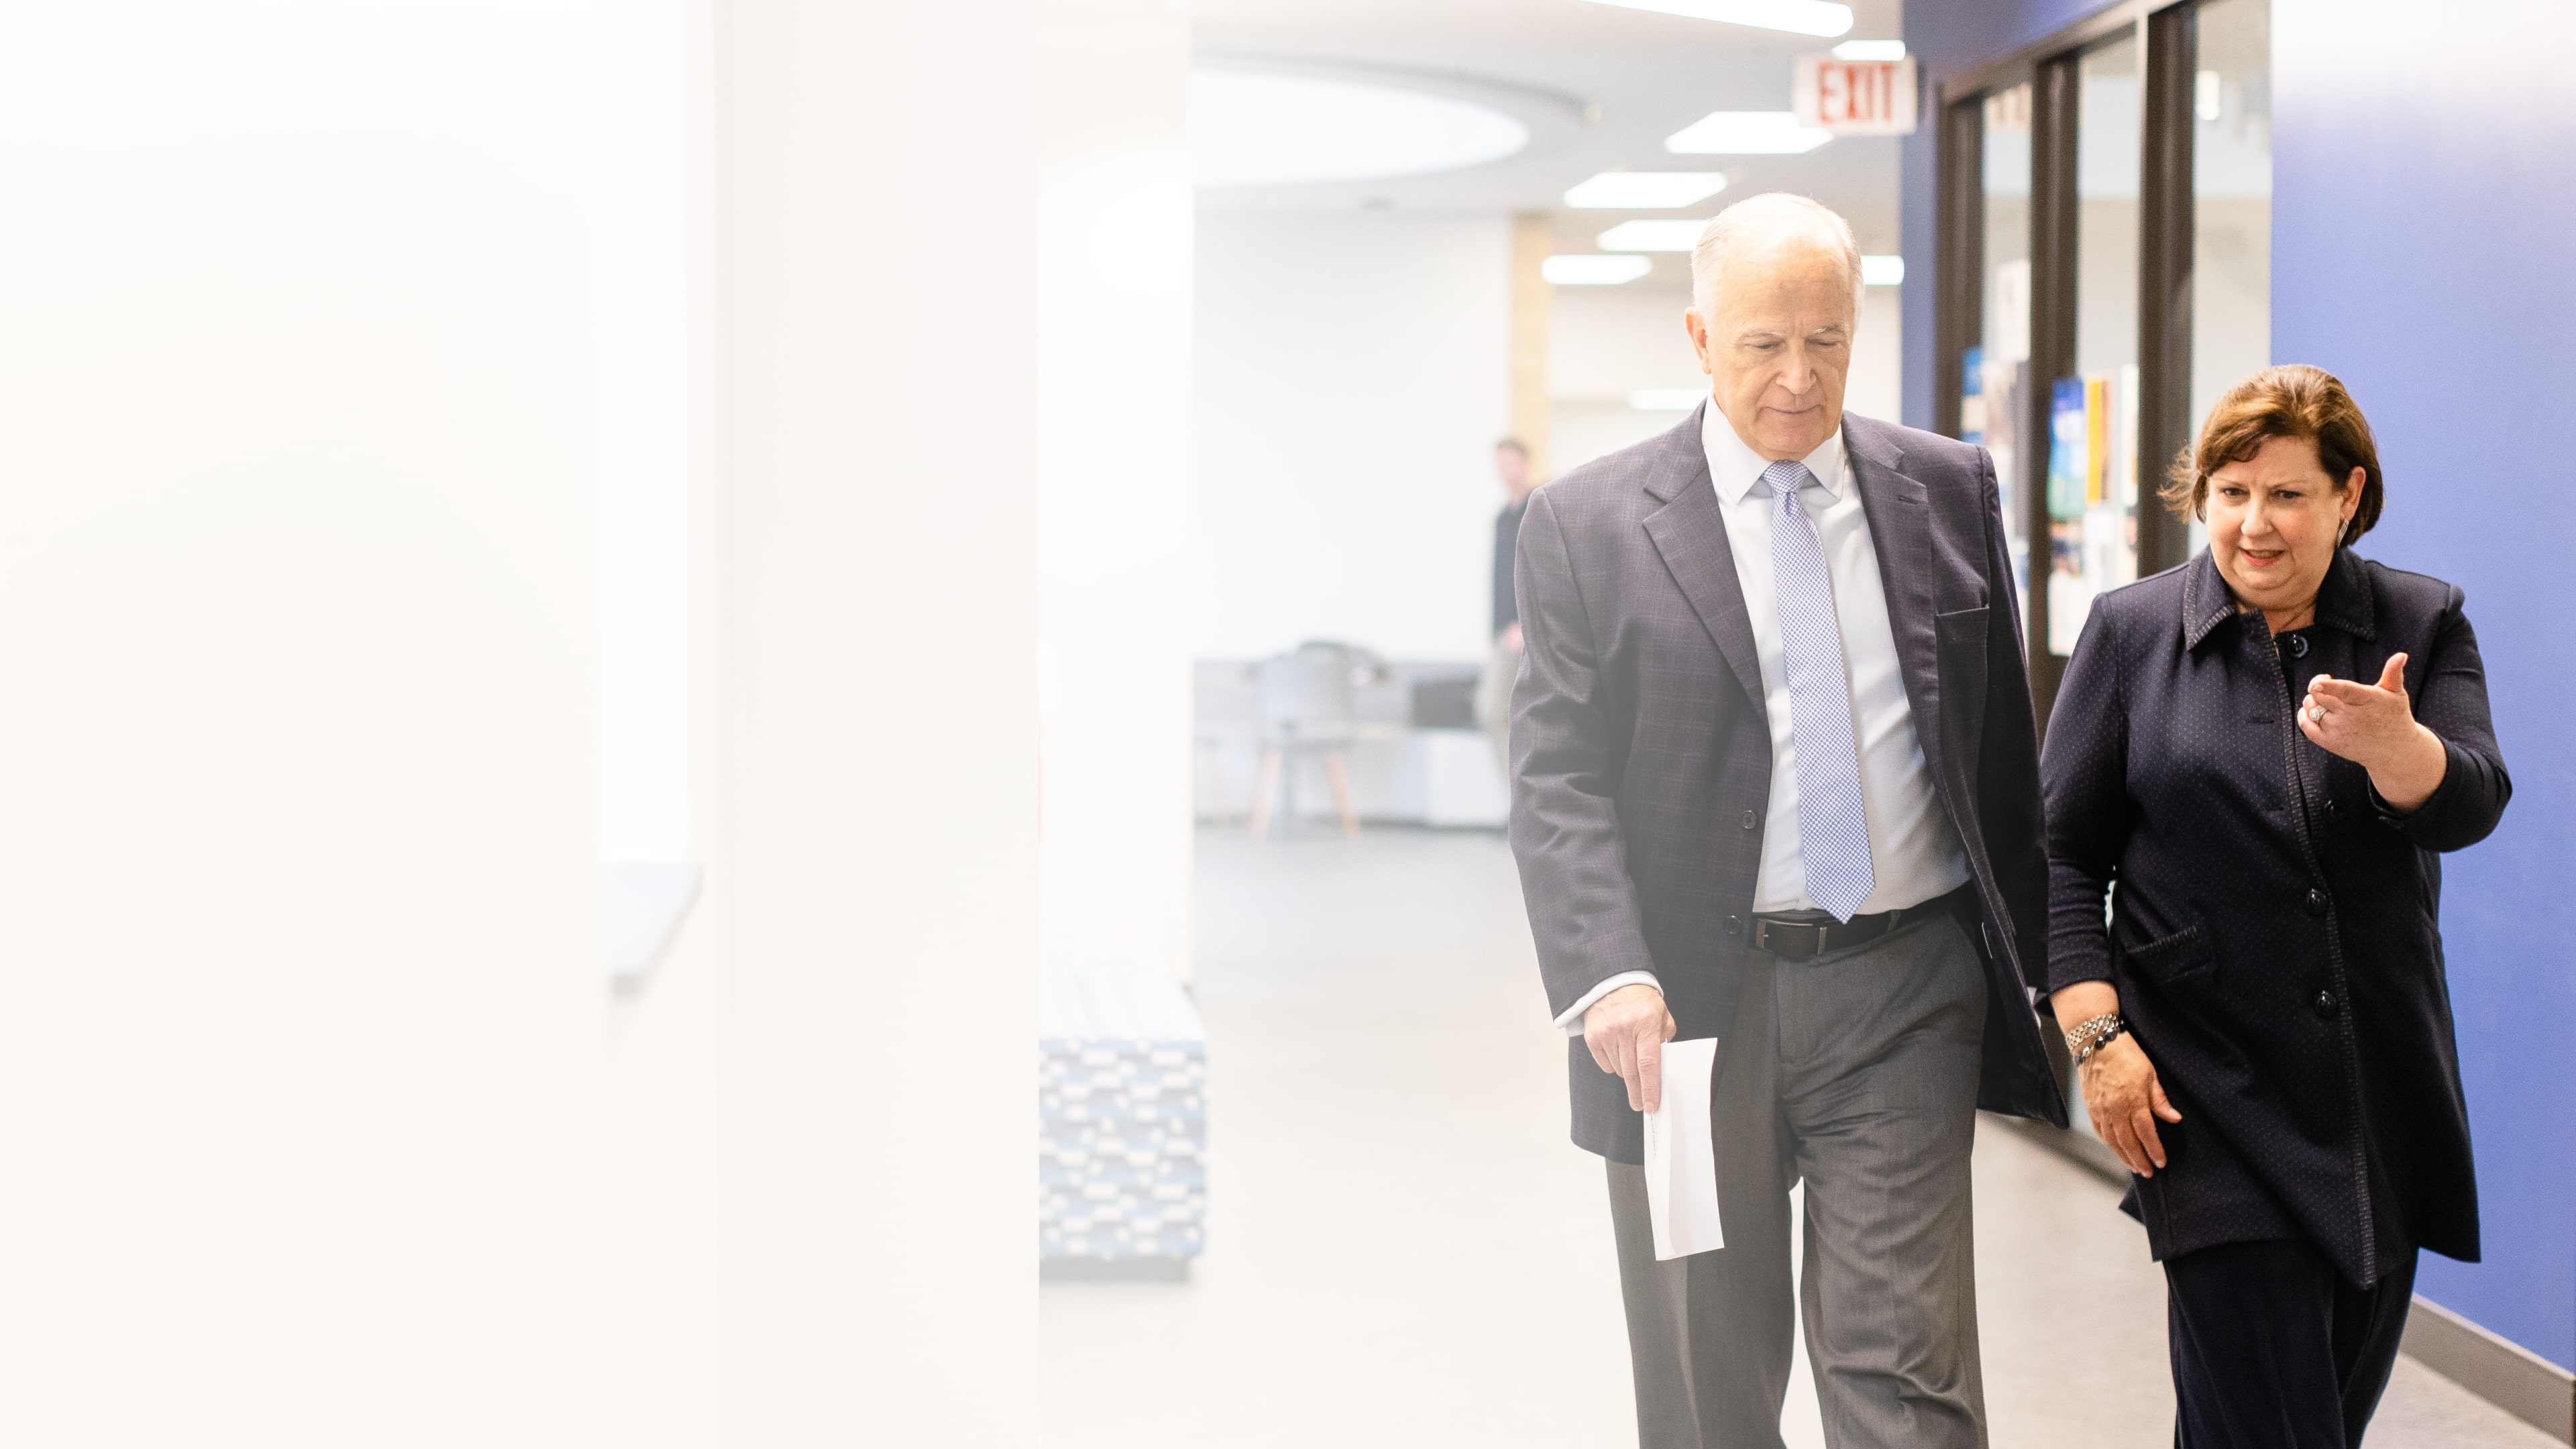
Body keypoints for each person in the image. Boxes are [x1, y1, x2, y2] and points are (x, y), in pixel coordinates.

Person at [1507, 191, 2062, 1449]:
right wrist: (1608, 972)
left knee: (1908, 1377)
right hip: (1688, 1014)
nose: (1799, 379)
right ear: (1702, 338)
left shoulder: (1947, 487)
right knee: (1710, 1384)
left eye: (1827, 341)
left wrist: (2054, 969)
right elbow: (1556, 774)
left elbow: (1997, 752)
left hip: (1903, 990)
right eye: (1764, 344)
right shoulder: (1588, 523)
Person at [2040, 364, 2509, 1448]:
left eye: (2288, 495)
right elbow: (2059, 855)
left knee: (2296, 1421)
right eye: (2232, 492)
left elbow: (2473, 800)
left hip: (2374, 1099)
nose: (2254, 524)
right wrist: (2097, 1038)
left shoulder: (2421, 621)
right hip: (2202, 1097)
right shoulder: (2131, 634)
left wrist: (2402, 753)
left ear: (2349, 497)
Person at [1475, 438, 1539, 766]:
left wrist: (1525, 624)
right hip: (1505, 632)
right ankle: (1518, 790)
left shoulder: (1538, 509)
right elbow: (1499, 578)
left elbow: (1541, 572)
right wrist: (1495, 632)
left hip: (1527, 632)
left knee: (1498, 711)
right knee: (1494, 713)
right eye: (1500, 464)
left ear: (1525, 464)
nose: (1504, 470)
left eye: (1510, 462)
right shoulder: (1502, 518)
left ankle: (1522, 791)